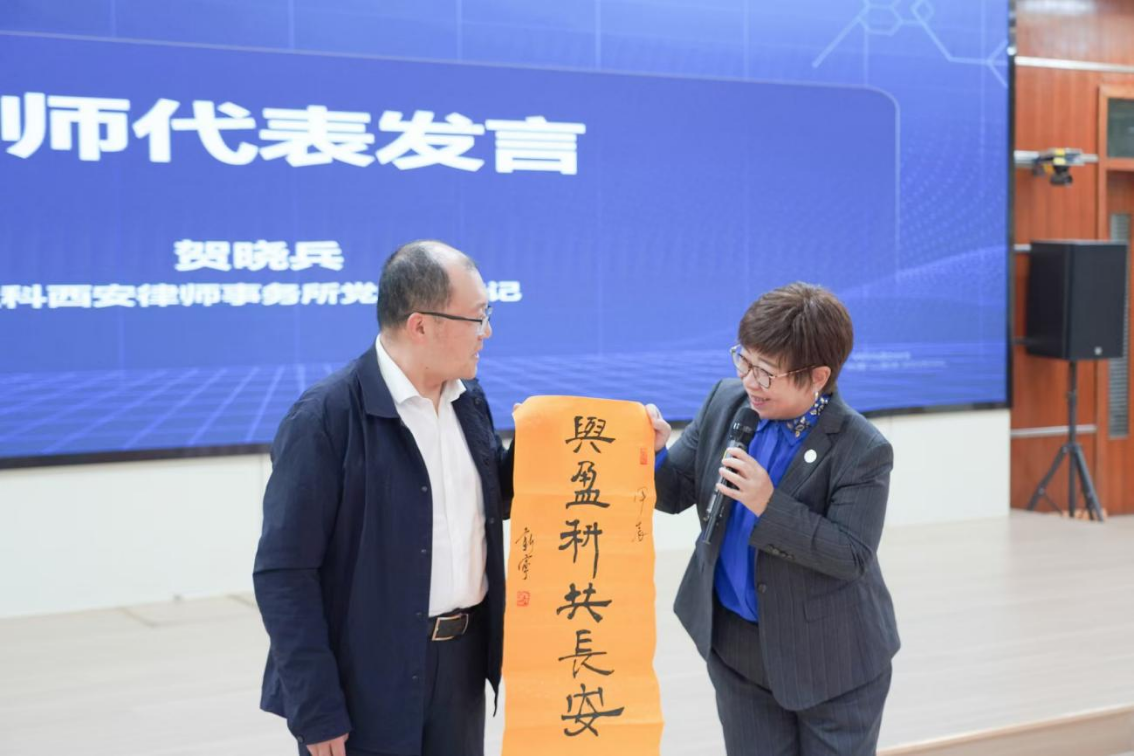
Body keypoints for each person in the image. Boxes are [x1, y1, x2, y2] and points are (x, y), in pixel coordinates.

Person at [253, 240, 513, 756]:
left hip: (461, 667)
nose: (487, 332)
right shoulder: (325, 419)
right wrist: (316, 707)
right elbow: (285, 574)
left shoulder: (467, 399)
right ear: (421, 325)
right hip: (366, 678)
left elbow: (494, 496)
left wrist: (591, 439)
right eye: (477, 317)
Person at [646, 282, 899, 755]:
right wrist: (655, 454)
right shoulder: (725, 403)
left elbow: (851, 555)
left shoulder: (862, 448)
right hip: (739, 653)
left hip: (832, 663)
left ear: (818, 376)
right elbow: (675, 490)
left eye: (766, 373)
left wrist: (769, 504)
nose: (750, 381)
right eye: (744, 361)